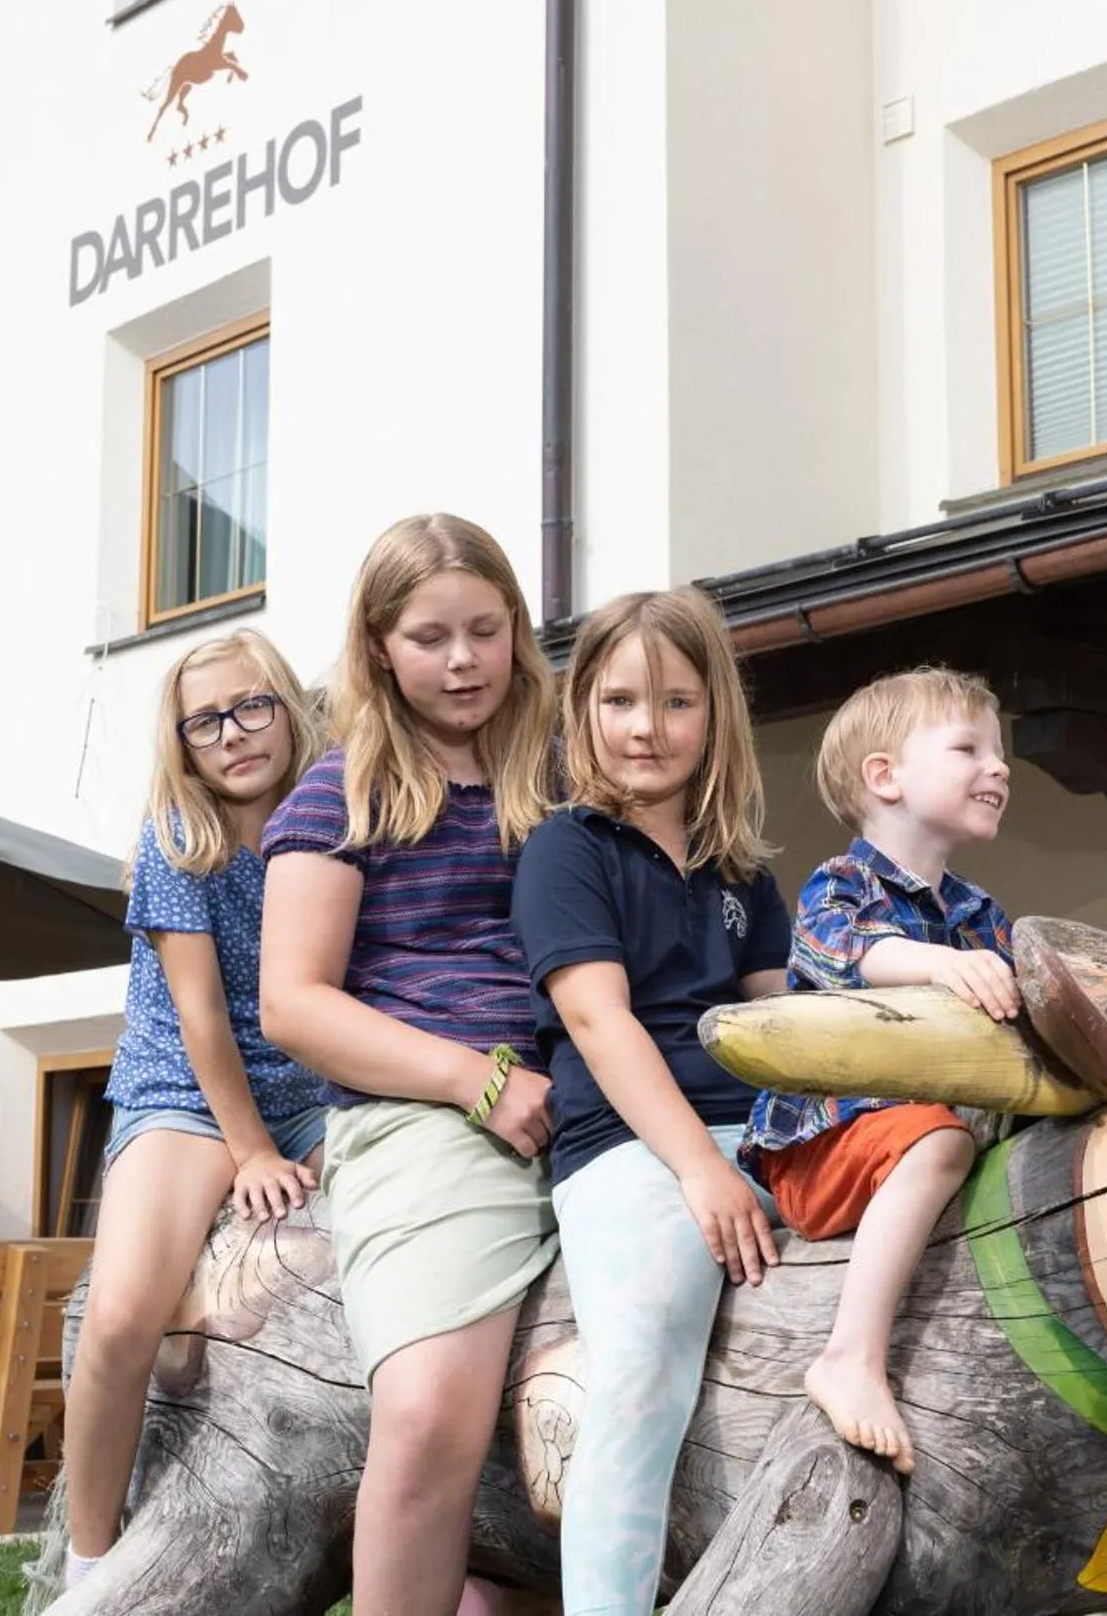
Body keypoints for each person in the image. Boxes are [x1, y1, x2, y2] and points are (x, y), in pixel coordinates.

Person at [259, 514, 560, 1616]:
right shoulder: (335, 793)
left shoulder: (559, 781)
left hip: (592, 1104)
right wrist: (472, 1080)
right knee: (431, 1412)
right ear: (379, 644)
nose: (464, 658)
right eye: (430, 635)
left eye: (486, 628)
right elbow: (292, 1002)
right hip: (429, 1117)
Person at [510, 587, 791, 1616]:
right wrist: (701, 1167)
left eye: (675, 702)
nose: (646, 727)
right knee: (641, 1367)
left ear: (714, 713)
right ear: (582, 709)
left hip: (754, 1128)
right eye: (621, 700)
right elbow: (599, 1023)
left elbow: (777, 1022)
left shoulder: (742, 870)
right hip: (629, 1141)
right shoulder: (566, 849)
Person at [64, 628, 328, 1590]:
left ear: (289, 708)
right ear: (182, 743)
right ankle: (88, 1560)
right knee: (126, 1310)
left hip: (313, 1083)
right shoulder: (179, 835)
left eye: (252, 706)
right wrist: (251, 1151)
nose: (234, 735)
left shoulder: (337, 818)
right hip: (186, 1084)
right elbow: (202, 1016)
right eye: (205, 721)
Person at [739, 667, 1016, 1474]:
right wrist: (935, 965)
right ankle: (848, 1358)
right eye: (969, 747)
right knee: (941, 1142)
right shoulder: (842, 884)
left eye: (1000, 753)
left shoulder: (978, 914)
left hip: (917, 1134)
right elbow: (832, 953)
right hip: (825, 1144)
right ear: (884, 775)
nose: (998, 767)